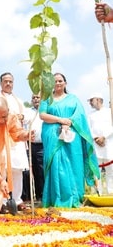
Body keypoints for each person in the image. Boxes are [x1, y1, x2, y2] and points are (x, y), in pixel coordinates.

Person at [39, 72, 100, 208]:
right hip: (54, 136)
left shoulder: (73, 99)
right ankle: (56, 198)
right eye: (55, 81)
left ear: (65, 83)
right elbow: (42, 115)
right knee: (56, 164)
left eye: (60, 81)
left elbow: (79, 115)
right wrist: (60, 120)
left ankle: (76, 196)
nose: (58, 83)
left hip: (72, 136)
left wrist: (69, 122)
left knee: (74, 163)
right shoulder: (46, 99)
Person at [0, 72, 30, 211]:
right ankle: (3, 201)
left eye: (10, 81)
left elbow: (28, 117)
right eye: (5, 81)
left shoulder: (19, 101)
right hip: (1, 138)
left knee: (17, 170)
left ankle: (17, 200)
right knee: (3, 169)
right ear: (0, 83)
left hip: (17, 139)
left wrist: (21, 116)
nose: (8, 84)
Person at [87, 92, 113, 194]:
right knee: (96, 171)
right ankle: (98, 193)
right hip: (96, 145)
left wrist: (104, 137)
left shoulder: (110, 112)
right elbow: (89, 129)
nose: (90, 103)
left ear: (98, 100)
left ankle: (111, 193)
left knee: (110, 171)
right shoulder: (90, 115)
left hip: (109, 144)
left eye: (91, 100)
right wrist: (96, 138)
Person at [23, 94, 44, 202]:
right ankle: (28, 198)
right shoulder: (27, 111)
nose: (35, 99)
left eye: (38, 97)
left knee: (41, 171)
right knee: (28, 171)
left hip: (42, 145)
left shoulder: (45, 110)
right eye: (33, 98)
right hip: (29, 145)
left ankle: (41, 196)